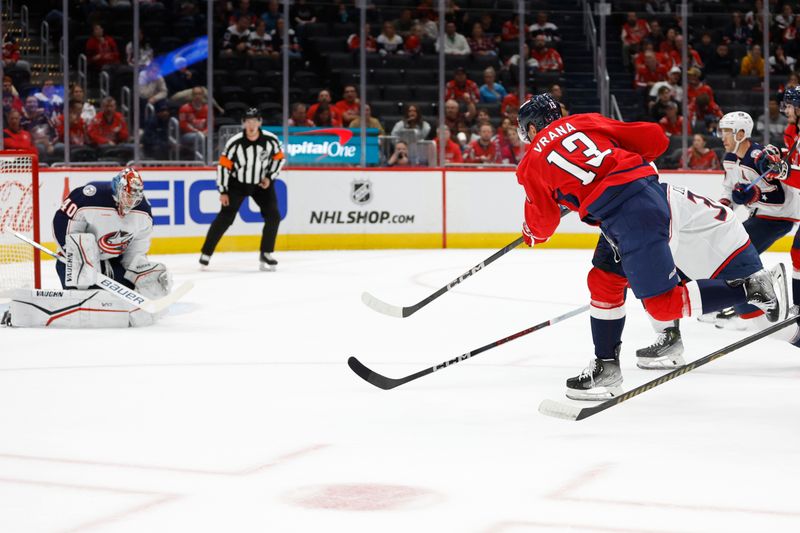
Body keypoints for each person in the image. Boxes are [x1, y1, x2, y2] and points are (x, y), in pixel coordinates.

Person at [515, 94, 787, 400]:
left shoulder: (530, 163)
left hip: (633, 217)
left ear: (532, 127)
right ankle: (607, 366)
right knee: (603, 280)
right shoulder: (583, 121)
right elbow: (655, 140)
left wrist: (531, 231)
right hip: (642, 199)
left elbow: (541, 226)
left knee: (663, 302)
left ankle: (750, 289)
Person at [3, 168, 171, 328]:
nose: (131, 202)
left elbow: (136, 250)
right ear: (117, 188)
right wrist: (74, 256)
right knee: (85, 294)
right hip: (77, 264)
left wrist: (139, 272)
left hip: (113, 264)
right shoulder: (90, 197)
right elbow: (62, 222)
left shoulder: (143, 212)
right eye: (127, 196)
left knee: (117, 298)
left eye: (135, 198)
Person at [713, 111, 799, 328]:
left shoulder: (757, 157)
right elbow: (728, 189)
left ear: (741, 133)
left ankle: (758, 300)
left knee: (738, 253)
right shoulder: (731, 158)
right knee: (734, 252)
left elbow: (779, 199)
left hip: (779, 217)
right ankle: (749, 300)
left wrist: (754, 196)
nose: (722, 137)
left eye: (727, 132)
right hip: (760, 216)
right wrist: (725, 207)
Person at [200, 108, 285, 272]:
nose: (251, 124)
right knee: (225, 218)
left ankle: (266, 252)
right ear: (243, 123)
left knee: (273, 215)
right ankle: (206, 253)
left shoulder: (270, 140)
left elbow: (279, 159)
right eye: (248, 121)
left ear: (260, 122)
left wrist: (270, 177)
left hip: (261, 184)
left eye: (254, 120)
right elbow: (223, 167)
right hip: (237, 184)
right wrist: (223, 190)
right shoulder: (235, 142)